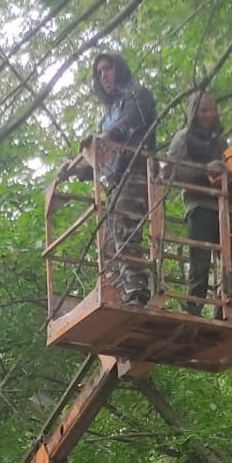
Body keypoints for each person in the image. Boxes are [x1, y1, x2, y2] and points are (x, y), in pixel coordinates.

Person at [165, 92, 232, 316]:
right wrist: (204, 170)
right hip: (199, 207)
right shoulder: (184, 137)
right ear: (194, 112)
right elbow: (169, 170)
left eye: (212, 109)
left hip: (226, 209)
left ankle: (224, 313)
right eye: (203, 110)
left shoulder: (221, 141)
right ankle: (194, 312)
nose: (209, 114)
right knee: (200, 265)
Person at [90, 51, 157, 306]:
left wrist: (107, 136)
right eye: (99, 73)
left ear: (119, 68)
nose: (104, 76)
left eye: (107, 69)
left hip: (137, 171)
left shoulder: (137, 95)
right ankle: (119, 292)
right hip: (115, 181)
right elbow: (100, 153)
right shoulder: (107, 115)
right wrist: (76, 166)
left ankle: (137, 291)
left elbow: (130, 122)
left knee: (126, 229)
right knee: (109, 241)